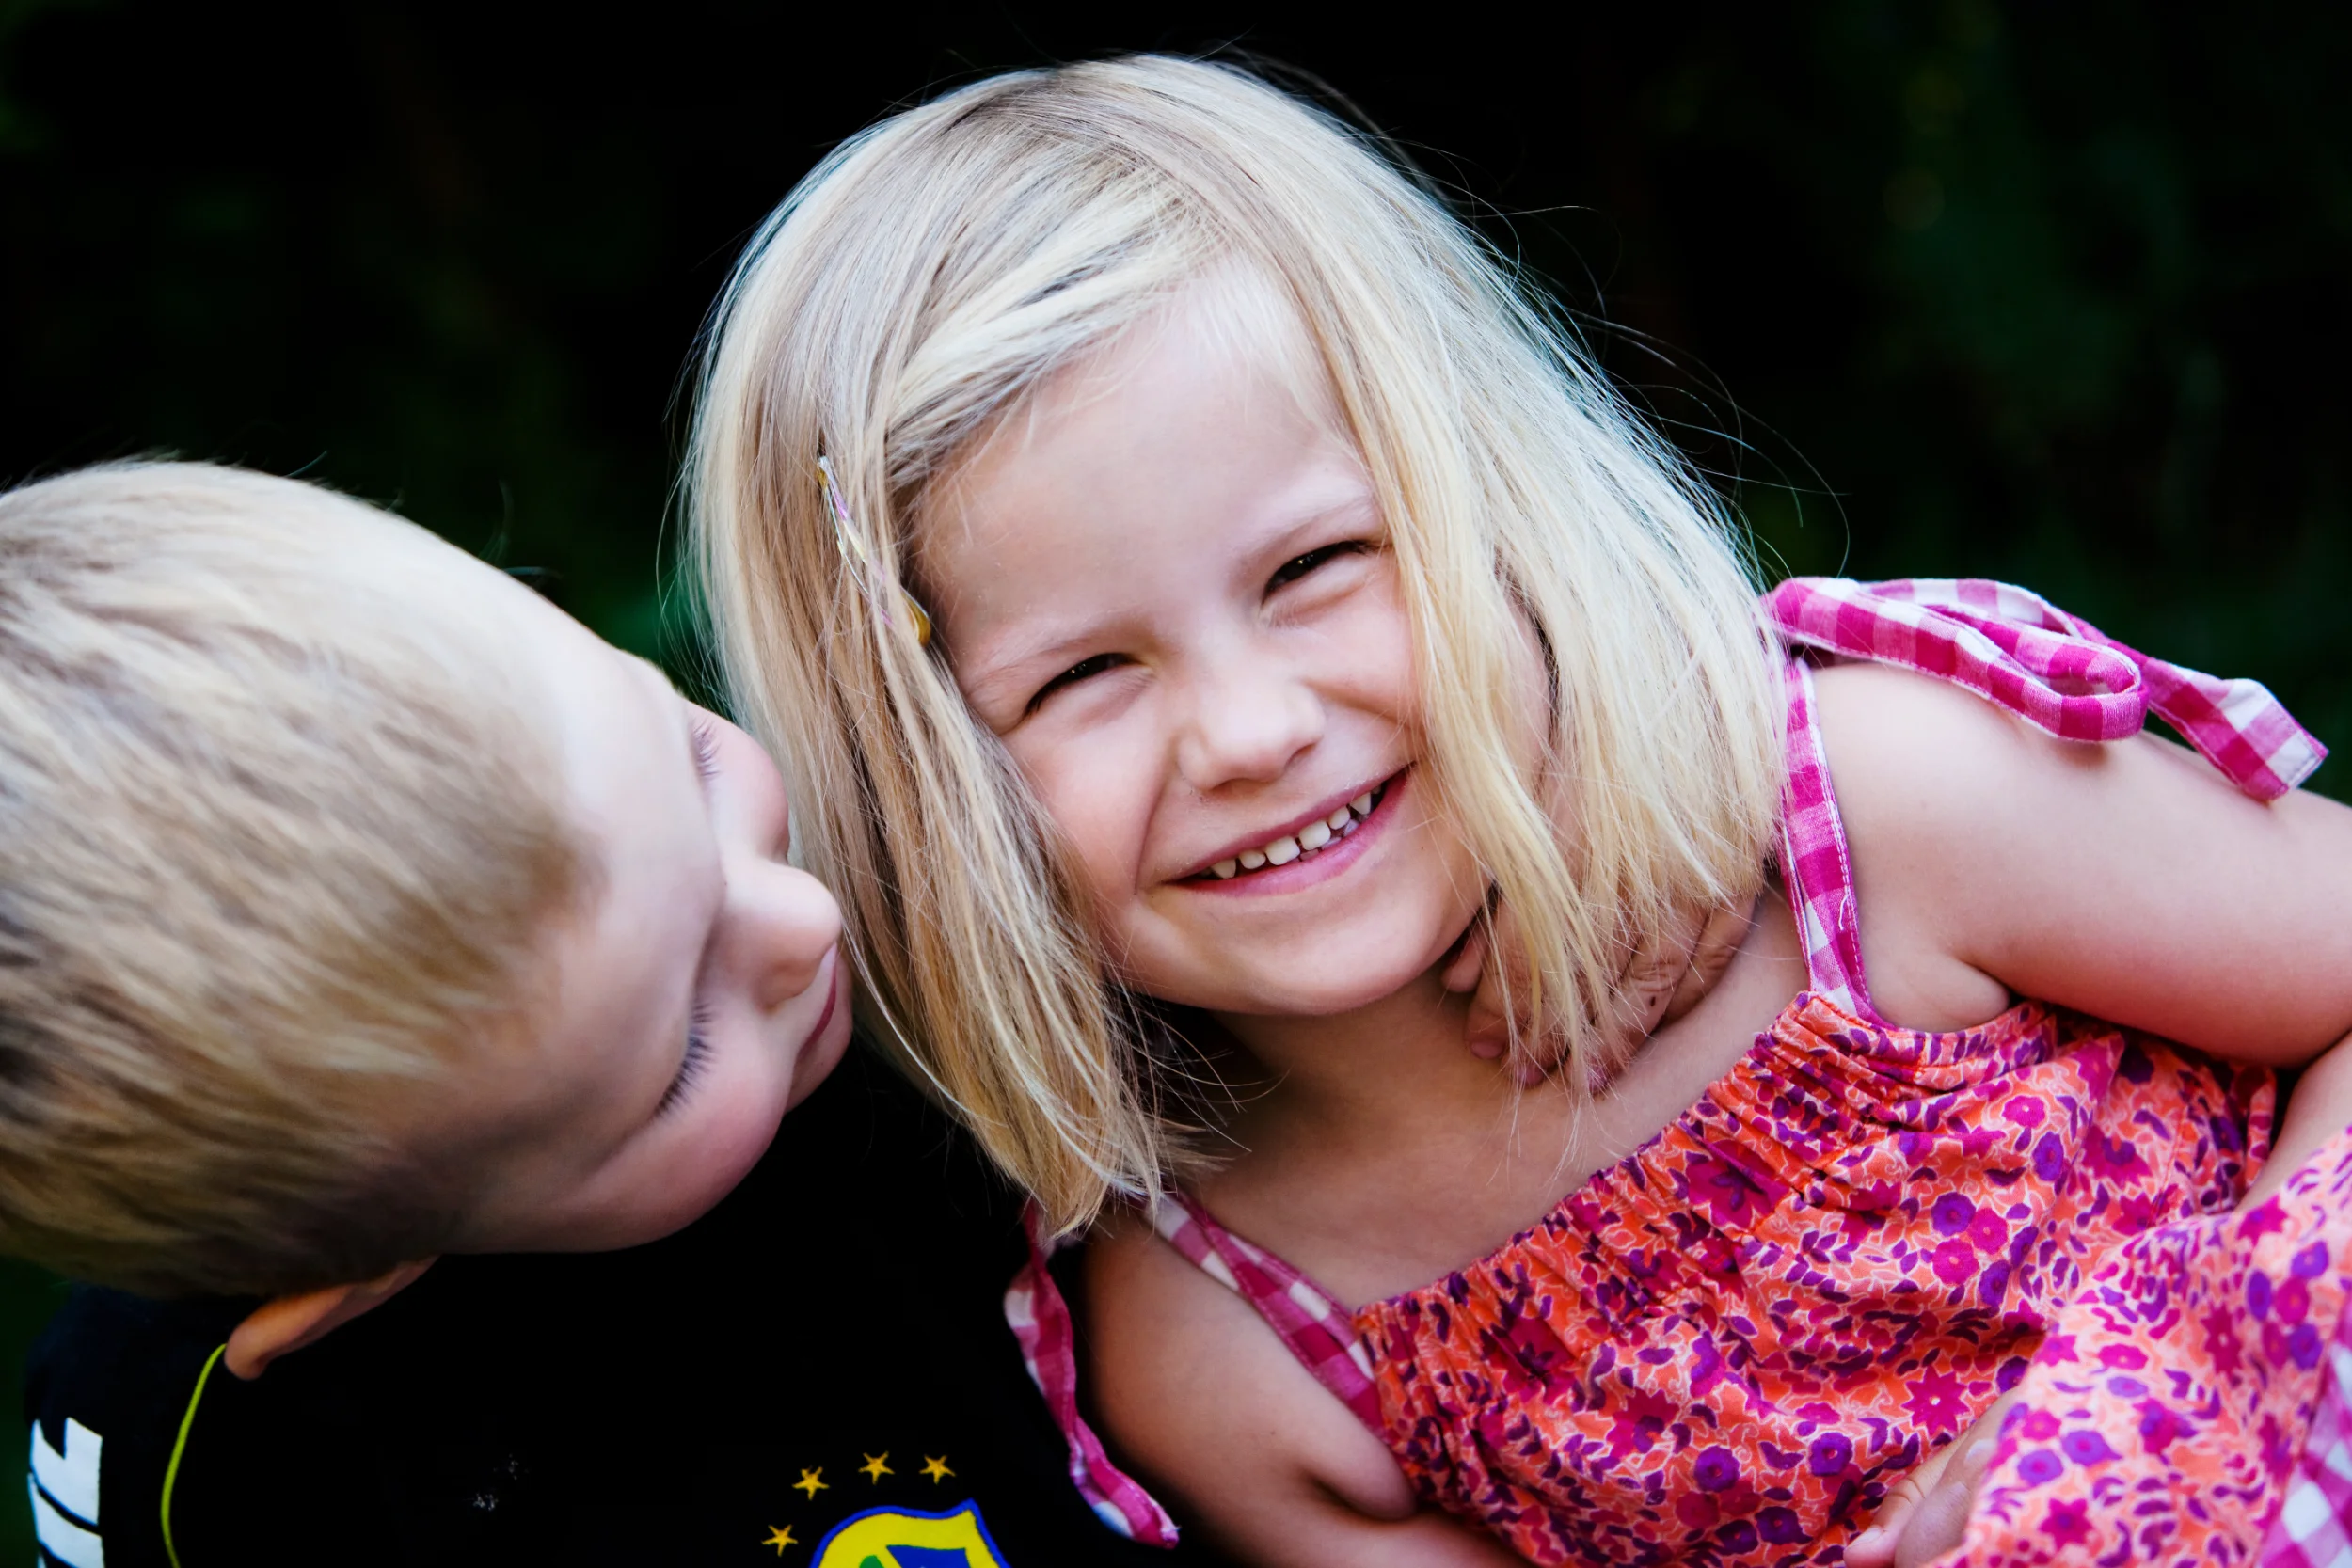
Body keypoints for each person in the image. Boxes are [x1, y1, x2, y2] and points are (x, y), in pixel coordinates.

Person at [682, 55, 2352, 1566]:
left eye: (1317, 566)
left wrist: (2159, 1397)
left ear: (1495, 512)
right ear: (927, 789)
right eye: (1081, 676)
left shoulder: (1874, 824)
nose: (1253, 731)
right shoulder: (1233, 1343)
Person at [9, 460, 1225, 1566]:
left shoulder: (911, 881)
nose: (804, 919)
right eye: (682, 1052)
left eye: (691, 757)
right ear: (351, 1281)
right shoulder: (204, 1482)